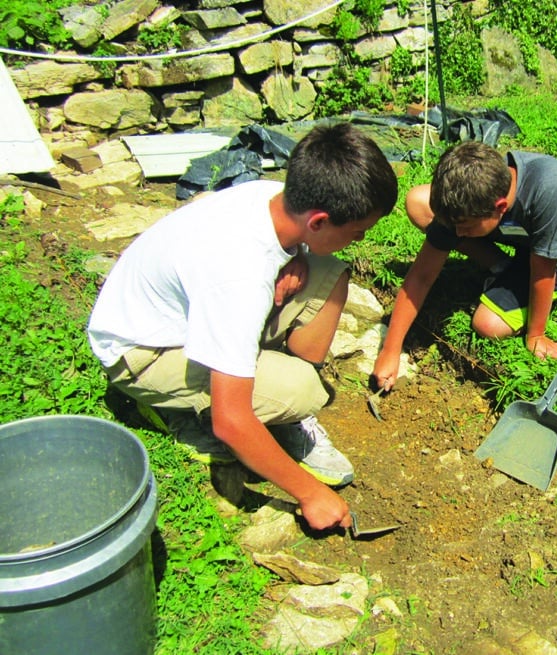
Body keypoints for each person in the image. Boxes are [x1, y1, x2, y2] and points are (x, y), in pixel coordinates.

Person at [88, 122, 398, 532]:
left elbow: (288, 252)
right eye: (357, 232)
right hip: (142, 354)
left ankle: (262, 395)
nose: (359, 240)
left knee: (329, 273)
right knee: (301, 389)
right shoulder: (239, 276)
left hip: (180, 311)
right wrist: (310, 494)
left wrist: (297, 253)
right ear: (319, 221)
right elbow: (230, 419)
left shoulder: (270, 197)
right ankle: (174, 410)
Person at [373, 140, 557, 390]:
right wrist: (390, 349)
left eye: (465, 226)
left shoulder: (550, 188)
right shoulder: (475, 196)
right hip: (519, 235)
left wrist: (536, 335)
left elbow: (543, 272)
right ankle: (505, 267)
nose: (458, 234)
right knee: (419, 201)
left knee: (488, 324)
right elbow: (421, 276)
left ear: (500, 207)